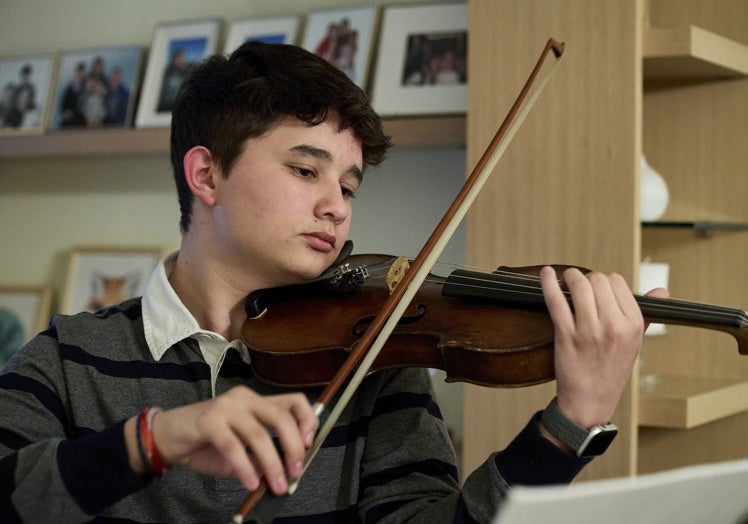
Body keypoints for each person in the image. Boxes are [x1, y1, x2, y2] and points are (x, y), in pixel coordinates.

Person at [0, 41, 666, 523]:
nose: (337, 206)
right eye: (304, 170)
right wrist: (158, 439)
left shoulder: (372, 355)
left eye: (348, 184)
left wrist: (569, 424)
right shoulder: (67, 356)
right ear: (206, 176)